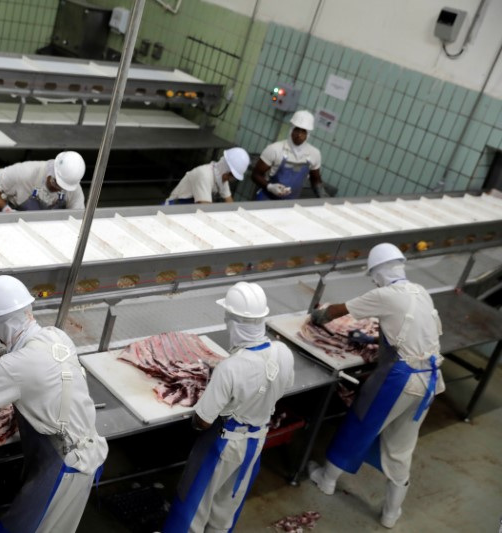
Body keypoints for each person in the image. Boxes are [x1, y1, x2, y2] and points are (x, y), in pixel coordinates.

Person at [0, 275, 107, 532]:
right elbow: (15, 357)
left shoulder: (15, 366)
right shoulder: (55, 336)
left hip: (65, 467)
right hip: (88, 451)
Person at [307, 243, 444, 529]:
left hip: (400, 379)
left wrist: (318, 316)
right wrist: (372, 341)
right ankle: (391, 513)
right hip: (430, 380)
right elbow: (407, 333)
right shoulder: (420, 292)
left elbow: (338, 310)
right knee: (401, 445)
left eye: (373, 275)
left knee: (360, 424)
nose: (373, 280)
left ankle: (327, 480)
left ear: (378, 272)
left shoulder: (385, 294)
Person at [164, 282, 295, 533]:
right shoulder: (283, 352)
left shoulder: (231, 367)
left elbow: (203, 421)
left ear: (234, 323)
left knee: (195, 503)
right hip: (256, 441)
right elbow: (279, 387)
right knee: (228, 504)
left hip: (224, 444)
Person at [251, 110, 328, 200]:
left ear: (308, 134)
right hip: (266, 199)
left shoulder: (314, 154)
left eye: (303, 131)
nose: (299, 135)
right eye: (297, 129)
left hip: (289, 206)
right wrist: (270, 187)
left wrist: (323, 197)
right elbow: (255, 175)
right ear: (291, 129)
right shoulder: (275, 149)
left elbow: (316, 180)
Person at [0, 151, 86, 211]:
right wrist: (5, 210)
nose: (56, 188)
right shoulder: (25, 172)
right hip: (10, 224)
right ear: (53, 170)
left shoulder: (73, 188)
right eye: (55, 182)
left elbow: (77, 219)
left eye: (62, 187)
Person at [165, 147, 250, 205]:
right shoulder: (204, 175)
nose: (231, 179)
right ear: (225, 169)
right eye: (231, 175)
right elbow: (205, 208)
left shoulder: (222, 178)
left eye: (233, 177)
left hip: (190, 209)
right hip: (174, 208)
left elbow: (229, 202)